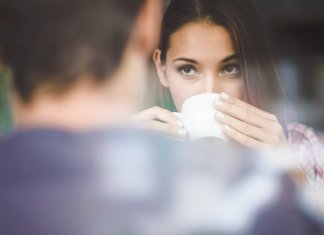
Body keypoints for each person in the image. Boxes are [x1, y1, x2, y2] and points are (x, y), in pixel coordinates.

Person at [133, 0, 324, 187]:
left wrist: (288, 169)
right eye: (188, 70)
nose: (209, 90)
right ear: (161, 69)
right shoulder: (141, 155)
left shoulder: (302, 147)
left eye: (230, 68)